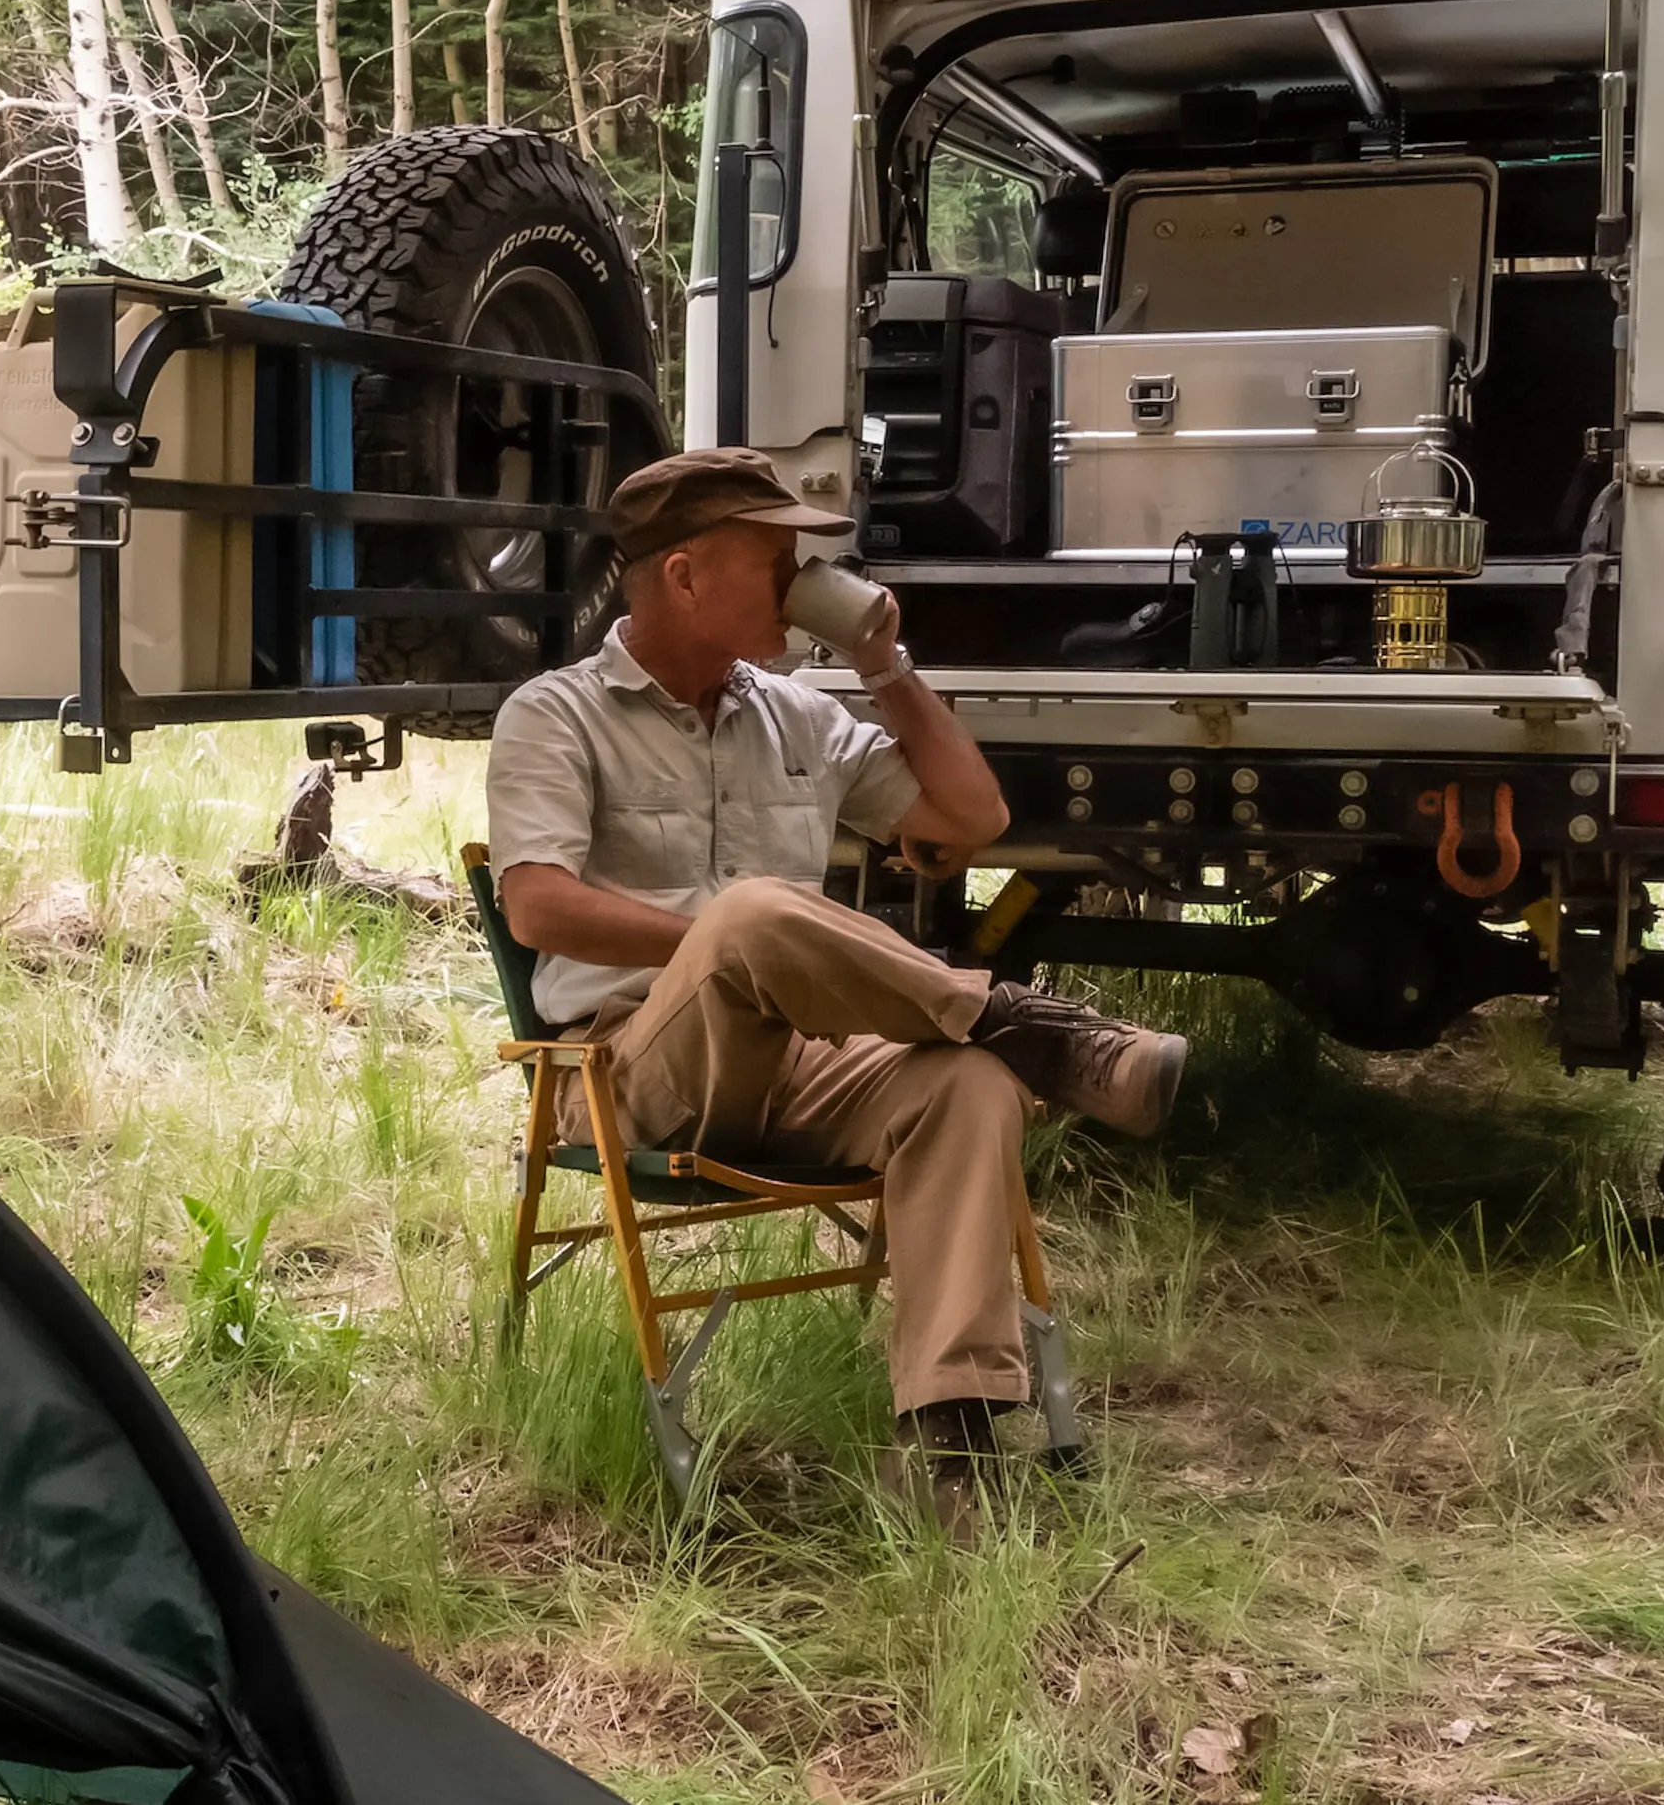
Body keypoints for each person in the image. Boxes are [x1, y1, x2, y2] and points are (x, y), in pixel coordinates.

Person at [485, 446, 1186, 1530]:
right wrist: (720, 942)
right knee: (752, 915)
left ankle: (946, 1447)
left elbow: (972, 820)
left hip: (799, 1062)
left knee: (966, 1088)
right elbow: (535, 906)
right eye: (775, 559)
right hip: (634, 1066)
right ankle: (1032, 1027)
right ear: (682, 574)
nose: (800, 580)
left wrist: (887, 668)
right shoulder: (554, 713)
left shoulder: (798, 716)